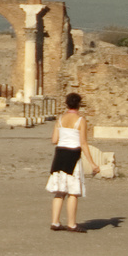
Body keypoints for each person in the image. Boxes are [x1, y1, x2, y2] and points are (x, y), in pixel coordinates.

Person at [46, 92, 100, 232]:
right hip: (73, 155)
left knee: (59, 191)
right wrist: (93, 163)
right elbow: (83, 143)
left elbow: (53, 140)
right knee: (73, 192)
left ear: (67, 103)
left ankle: (55, 222)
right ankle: (71, 223)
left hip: (60, 154)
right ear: (79, 104)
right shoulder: (80, 120)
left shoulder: (60, 119)